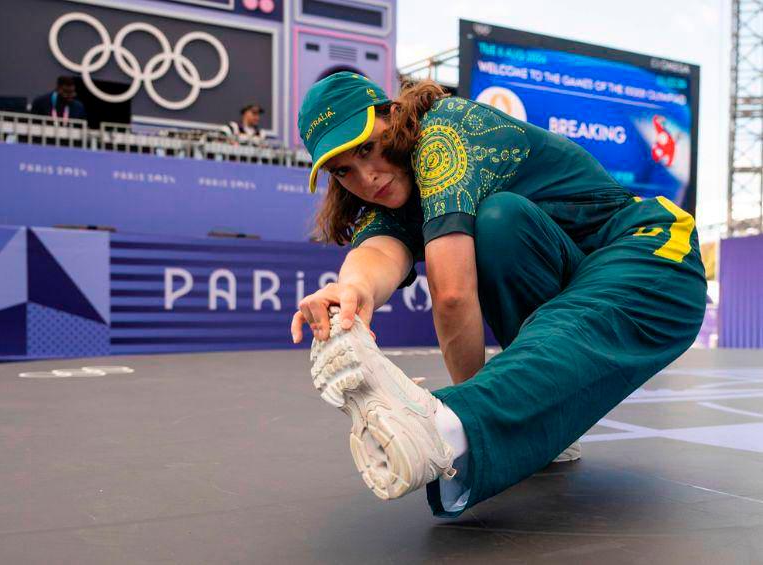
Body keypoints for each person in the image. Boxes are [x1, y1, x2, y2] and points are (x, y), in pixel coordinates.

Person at [291, 72, 706, 517]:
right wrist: (351, 290)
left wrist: (458, 416)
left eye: (367, 148)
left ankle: (446, 427)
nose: (367, 177)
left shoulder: (443, 133)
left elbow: (451, 295)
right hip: (569, 278)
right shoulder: (392, 194)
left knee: (502, 224)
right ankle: (542, 424)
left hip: (650, 253)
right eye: (343, 171)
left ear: (393, 115)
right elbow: (378, 251)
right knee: (501, 223)